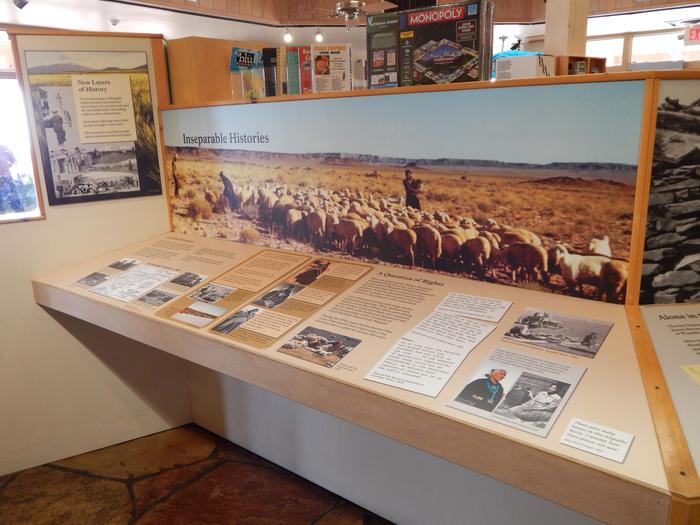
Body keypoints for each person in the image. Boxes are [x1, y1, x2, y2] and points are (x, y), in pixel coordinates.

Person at [0, 144, 24, 213]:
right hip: (6, 178)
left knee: (16, 203)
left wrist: (7, 165)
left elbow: (14, 161)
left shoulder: (5, 149)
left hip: (7, 178)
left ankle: (21, 217)